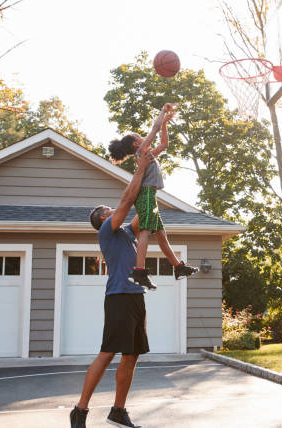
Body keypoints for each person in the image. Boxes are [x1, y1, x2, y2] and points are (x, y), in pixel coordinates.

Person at [69, 150, 156, 428]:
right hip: (118, 296)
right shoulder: (106, 231)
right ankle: (80, 410)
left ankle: (118, 410)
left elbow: (143, 209)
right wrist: (140, 168)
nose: (112, 209)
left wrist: (151, 170)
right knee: (108, 353)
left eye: (110, 208)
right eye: (106, 210)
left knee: (132, 355)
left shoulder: (127, 233)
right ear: (103, 220)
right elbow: (127, 199)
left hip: (136, 297)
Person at [108, 103, 198, 289]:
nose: (143, 137)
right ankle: (139, 270)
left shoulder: (147, 154)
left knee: (162, 236)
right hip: (146, 194)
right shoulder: (142, 151)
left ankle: (178, 267)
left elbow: (164, 143)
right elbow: (154, 129)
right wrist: (163, 112)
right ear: (136, 143)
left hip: (150, 195)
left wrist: (165, 123)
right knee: (146, 232)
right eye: (140, 137)